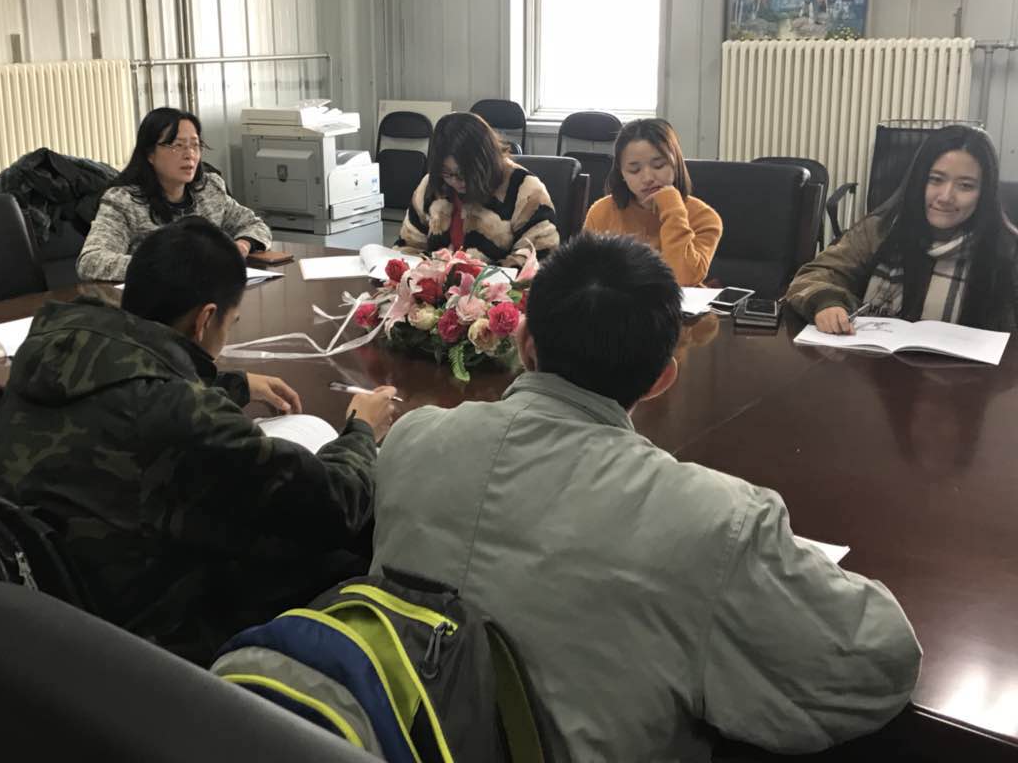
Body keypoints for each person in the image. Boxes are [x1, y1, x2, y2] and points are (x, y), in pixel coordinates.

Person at [371, 233, 921, 761]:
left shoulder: (411, 439)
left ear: (524, 343)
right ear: (662, 378)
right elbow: (880, 660)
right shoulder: (712, 521)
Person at [0, 216, 398, 665]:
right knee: (349, 553)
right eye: (231, 323)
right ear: (205, 319)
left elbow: (128, 384)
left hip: (22, 610)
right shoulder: (185, 414)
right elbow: (336, 504)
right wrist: (361, 430)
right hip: (134, 645)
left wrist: (232, 383)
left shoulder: (51, 344)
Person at [787, 124, 1018, 334]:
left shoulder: (1009, 251)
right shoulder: (880, 229)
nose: (946, 197)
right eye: (935, 180)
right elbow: (813, 276)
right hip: (873, 363)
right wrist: (826, 303)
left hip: (970, 368)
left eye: (965, 186)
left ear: (984, 194)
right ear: (918, 181)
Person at [77, 107, 273, 281]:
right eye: (178, 146)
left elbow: (255, 225)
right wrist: (169, 266)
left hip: (207, 294)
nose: (190, 155)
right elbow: (90, 261)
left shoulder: (210, 189)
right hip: (153, 304)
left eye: (195, 145)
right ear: (150, 154)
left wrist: (242, 245)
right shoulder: (124, 201)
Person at [397, 112, 559, 268]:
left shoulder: (524, 190)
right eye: (447, 173)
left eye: (464, 173)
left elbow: (539, 260)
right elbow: (408, 247)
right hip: (437, 285)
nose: (455, 181)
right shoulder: (433, 184)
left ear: (485, 161)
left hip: (501, 285)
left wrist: (480, 279)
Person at [582, 117, 722, 286]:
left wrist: (673, 211)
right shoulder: (602, 211)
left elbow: (683, 279)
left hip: (677, 303)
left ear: (676, 164)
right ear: (622, 174)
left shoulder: (704, 217)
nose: (648, 178)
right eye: (634, 170)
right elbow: (586, 276)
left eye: (659, 166)